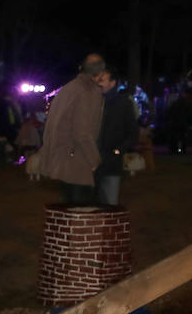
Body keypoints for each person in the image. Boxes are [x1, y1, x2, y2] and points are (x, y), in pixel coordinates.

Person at [32, 54, 107, 204]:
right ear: (100, 72)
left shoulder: (69, 88)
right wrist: (95, 161)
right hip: (77, 160)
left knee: (69, 212)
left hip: (63, 158)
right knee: (82, 214)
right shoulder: (88, 91)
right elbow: (82, 132)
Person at [94, 71, 139, 205]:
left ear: (113, 83)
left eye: (102, 79)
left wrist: (117, 151)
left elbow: (132, 133)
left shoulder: (123, 103)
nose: (98, 83)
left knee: (110, 207)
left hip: (111, 165)